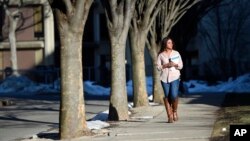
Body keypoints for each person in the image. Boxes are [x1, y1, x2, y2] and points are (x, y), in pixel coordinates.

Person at [157, 37, 183, 123]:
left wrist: (174, 64)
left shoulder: (176, 53)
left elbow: (181, 66)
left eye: (171, 43)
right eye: (169, 43)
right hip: (164, 78)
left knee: (174, 95)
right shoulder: (161, 55)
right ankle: (169, 116)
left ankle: (174, 111)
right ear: (165, 44)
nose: (171, 44)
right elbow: (158, 67)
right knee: (167, 96)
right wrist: (165, 65)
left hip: (175, 76)